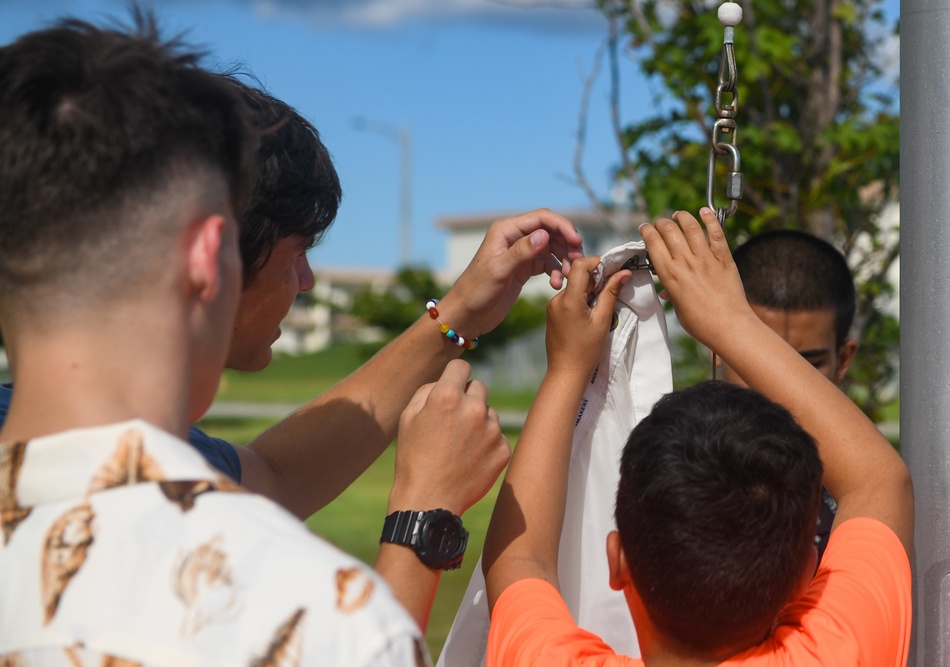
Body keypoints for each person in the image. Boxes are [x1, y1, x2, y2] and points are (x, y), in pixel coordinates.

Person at [0, 61, 584, 630]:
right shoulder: (281, 605)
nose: (305, 280)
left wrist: (458, 315)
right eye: (298, 249)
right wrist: (422, 519)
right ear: (210, 255)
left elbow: (276, 476)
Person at [482, 209, 913, 665]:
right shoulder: (838, 653)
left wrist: (566, 371)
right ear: (807, 573)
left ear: (619, 559)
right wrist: (730, 321)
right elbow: (878, 481)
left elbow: (519, 558)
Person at [723, 229, 860, 559]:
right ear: (717, 350)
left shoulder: (858, 499)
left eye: (807, 366)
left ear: (843, 360)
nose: (778, 395)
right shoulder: (672, 473)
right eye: (756, 363)